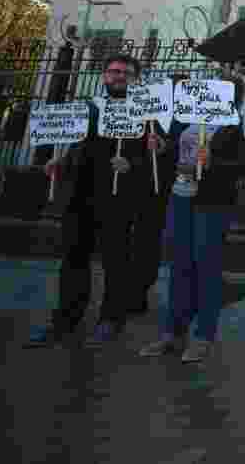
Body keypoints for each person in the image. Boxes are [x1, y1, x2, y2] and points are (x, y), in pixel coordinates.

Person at [24, 53, 151, 349]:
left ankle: (110, 319)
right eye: (114, 71)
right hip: (80, 193)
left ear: (135, 79)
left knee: (115, 262)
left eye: (126, 73)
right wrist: (60, 162)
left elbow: (156, 159)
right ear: (104, 75)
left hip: (118, 197)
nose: (119, 76)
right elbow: (76, 144)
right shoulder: (88, 107)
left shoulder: (145, 113)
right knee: (73, 259)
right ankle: (65, 320)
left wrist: (131, 164)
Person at [139, 76, 245, 363]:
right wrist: (161, 146)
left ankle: (203, 336)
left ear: (233, 95)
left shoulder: (240, 123)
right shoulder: (186, 117)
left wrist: (213, 163)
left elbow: (244, 165)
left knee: (207, 266)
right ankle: (172, 332)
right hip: (180, 196)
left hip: (213, 201)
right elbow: (172, 150)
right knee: (179, 264)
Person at [128, 72, 188, 316]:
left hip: (180, 184)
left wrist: (165, 146)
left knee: (167, 240)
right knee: (146, 237)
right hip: (148, 184)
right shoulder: (148, 113)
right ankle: (137, 290)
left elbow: (188, 141)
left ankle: (179, 296)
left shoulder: (185, 115)